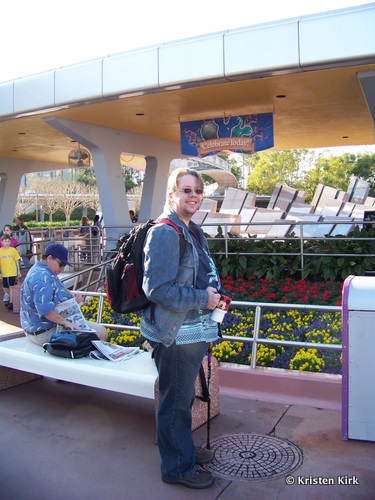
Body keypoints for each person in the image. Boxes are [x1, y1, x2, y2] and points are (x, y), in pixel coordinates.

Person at [140, 167, 221, 490]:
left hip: (193, 332)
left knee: (183, 397)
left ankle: (182, 449)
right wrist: (204, 298)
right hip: (174, 334)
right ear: (171, 195)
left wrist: (213, 297)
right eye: (186, 190)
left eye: (198, 191)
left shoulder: (192, 230)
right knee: (175, 401)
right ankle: (176, 466)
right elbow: (157, 290)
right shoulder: (164, 232)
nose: (193, 196)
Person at [20, 243, 108, 346]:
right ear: (49, 258)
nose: (62, 268)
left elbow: (53, 291)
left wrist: (71, 297)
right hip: (45, 331)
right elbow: (46, 310)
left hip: (42, 328)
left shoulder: (42, 270)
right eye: (61, 264)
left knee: (97, 331)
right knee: (101, 333)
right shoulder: (42, 277)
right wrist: (65, 323)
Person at [0, 234, 22, 309]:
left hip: (12, 271)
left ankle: (12, 302)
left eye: (8, 241)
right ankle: (8, 297)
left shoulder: (13, 250)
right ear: (2, 242)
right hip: (4, 272)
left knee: (12, 286)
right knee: (5, 286)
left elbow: (16, 261)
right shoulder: (0, 251)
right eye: (5, 241)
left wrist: (18, 271)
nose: (7, 243)